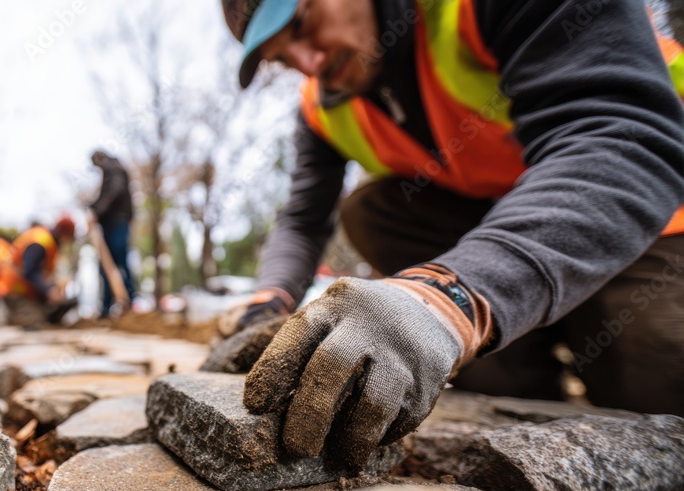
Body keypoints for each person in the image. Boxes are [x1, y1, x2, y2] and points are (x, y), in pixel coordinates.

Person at [206, 0, 684, 466]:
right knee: (373, 210)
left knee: (650, 392)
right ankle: (517, 372)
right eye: (283, 58)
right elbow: (304, 219)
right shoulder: (322, 105)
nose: (309, 63)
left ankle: (553, 325)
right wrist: (268, 299)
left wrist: (443, 300)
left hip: (644, 215)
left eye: (305, 24)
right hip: (498, 221)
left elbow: (624, 137)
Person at [89, 150, 137, 318]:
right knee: (106, 266)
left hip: (117, 223)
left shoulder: (114, 170)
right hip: (112, 222)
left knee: (120, 262)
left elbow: (113, 192)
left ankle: (129, 302)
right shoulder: (112, 170)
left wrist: (96, 210)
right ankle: (106, 308)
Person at [9, 217, 79, 326]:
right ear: (64, 233)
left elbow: (42, 272)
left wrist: (55, 285)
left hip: (25, 289)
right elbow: (30, 271)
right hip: (14, 289)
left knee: (47, 317)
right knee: (35, 321)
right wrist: (50, 290)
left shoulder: (49, 244)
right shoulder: (41, 240)